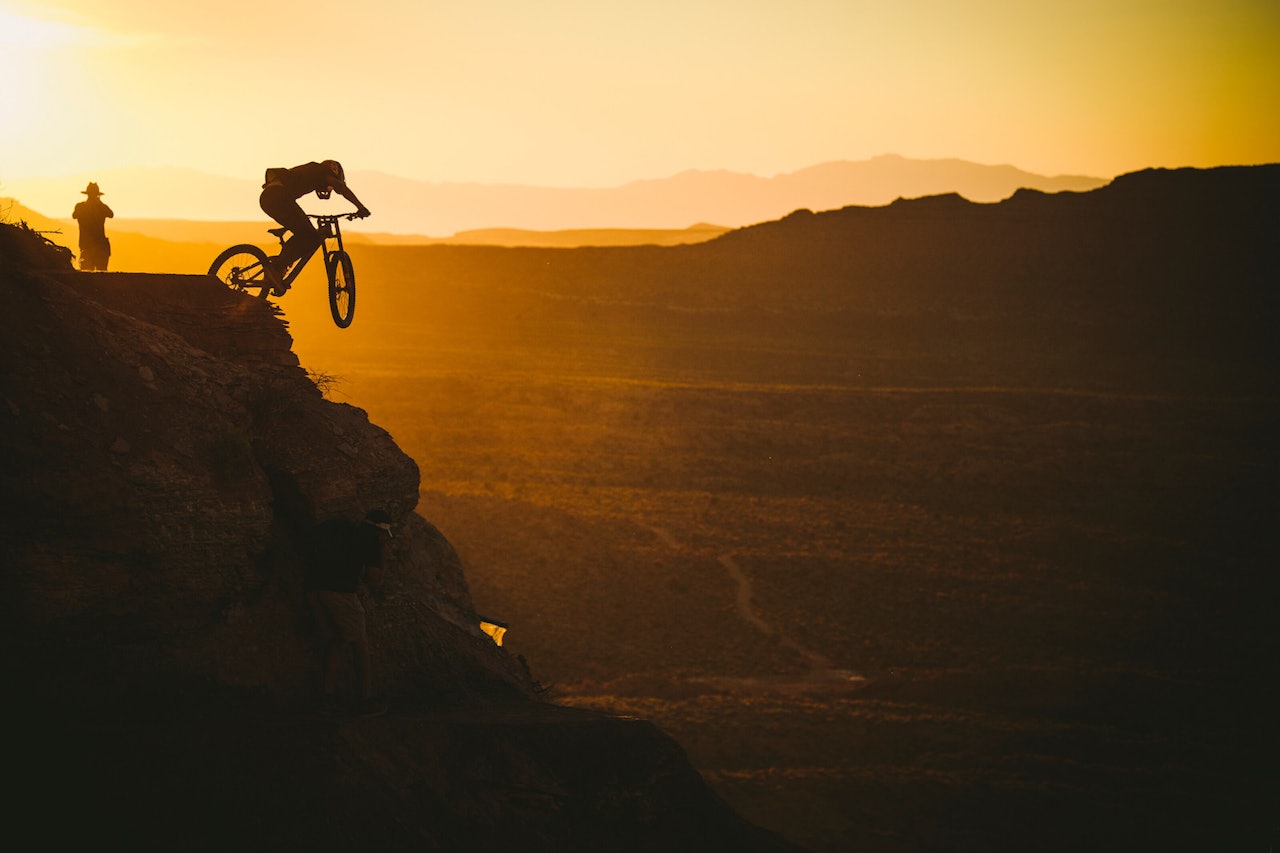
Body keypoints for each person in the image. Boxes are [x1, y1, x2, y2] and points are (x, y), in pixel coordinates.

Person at [304, 509, 393, 716]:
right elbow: (375, 581)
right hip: (340, 594)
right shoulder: (371, 542)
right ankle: (361, 699)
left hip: (313, 589)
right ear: (381, 532)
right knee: (352, 641)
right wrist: (383, 557)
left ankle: (337, 697)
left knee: (344, 639)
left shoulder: (343, 530)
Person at [259, 160, 370, 295]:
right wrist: (360, 207)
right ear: (334, 171)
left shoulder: (312, 172)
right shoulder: (324, 172)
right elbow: (341, 188)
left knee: (303, 233)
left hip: (268, 198)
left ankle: (276, 271)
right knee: (312, 237)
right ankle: (278, 267)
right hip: (279, 196)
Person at [72, 182, 114, 271]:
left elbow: (110, 214)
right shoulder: (99, 207)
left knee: (88, 275)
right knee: (98, 274)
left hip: (89, 245)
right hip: (95, 246)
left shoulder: (81, 207)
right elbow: (110, 214)